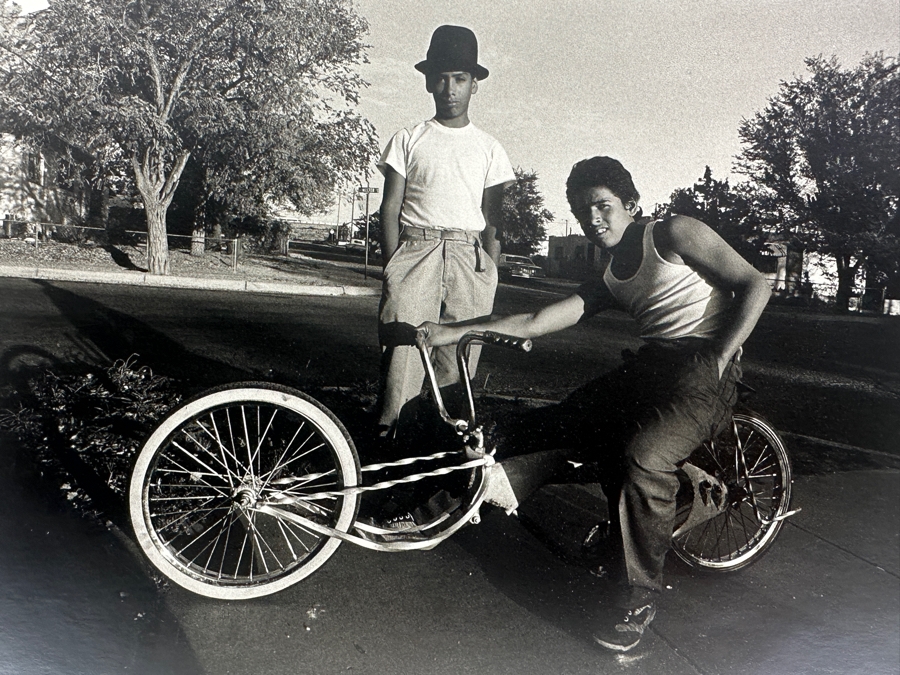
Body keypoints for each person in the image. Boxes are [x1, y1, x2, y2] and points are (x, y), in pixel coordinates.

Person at [417, 156, 771, 652]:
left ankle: (638, 597)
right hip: (654, 366)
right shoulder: (609, 276)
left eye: (602, 207)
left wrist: (719, 354)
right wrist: (450, 331)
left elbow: (757, 283)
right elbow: (537, 320)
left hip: (706, 367)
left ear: (631, 205)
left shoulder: (674, 233)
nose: (593, 220)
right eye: (583, 213)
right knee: (562, 421)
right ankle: (448, 501)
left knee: (644, 457)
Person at [375, 24, 515, 443]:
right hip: (416, 249)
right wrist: (393, 265)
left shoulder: (490, 148)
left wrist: (488, 267)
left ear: (475, 85)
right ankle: (387, 449)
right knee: (403, 353)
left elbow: (493, 221)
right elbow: (390, 208)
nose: (449, 88)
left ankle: (443, 453)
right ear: (428, 81)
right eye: (441, 77)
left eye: (459, 79)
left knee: (458, 361)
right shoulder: (409, 138)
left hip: (467, 254)